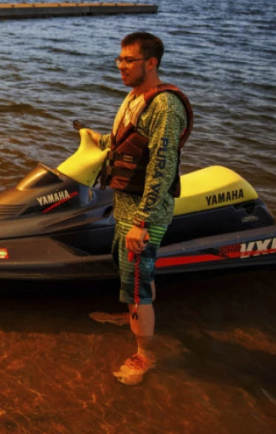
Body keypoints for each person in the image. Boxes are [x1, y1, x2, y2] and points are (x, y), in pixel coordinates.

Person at [84, 32, 193, 385]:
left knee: (137, 286)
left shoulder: (165, 107)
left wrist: (142, 222)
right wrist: (96, 139)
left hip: (145, 215)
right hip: (127, 207)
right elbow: (128, 142)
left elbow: (161, 168)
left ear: (151, 63)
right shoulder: (135, 97)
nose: (120, 66)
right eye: (119, 59)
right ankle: (130, 314)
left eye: (128, 60)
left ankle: (145, 354)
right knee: (129, 274)